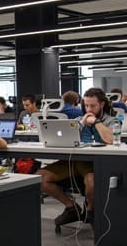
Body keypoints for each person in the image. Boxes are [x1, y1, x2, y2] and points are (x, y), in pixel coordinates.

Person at [38, 87, 116, 227]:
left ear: (102, 104)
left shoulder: (111, 120)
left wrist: (96, 122)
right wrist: (81, 123)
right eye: (86, 105)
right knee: (40, 178)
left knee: (92, 183)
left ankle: (91, 211)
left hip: (94, 163)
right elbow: (65, 137)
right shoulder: (79, 120)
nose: (89, 109)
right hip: (74, 161)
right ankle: (71, 207)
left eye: (93, 105)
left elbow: (111, 140)